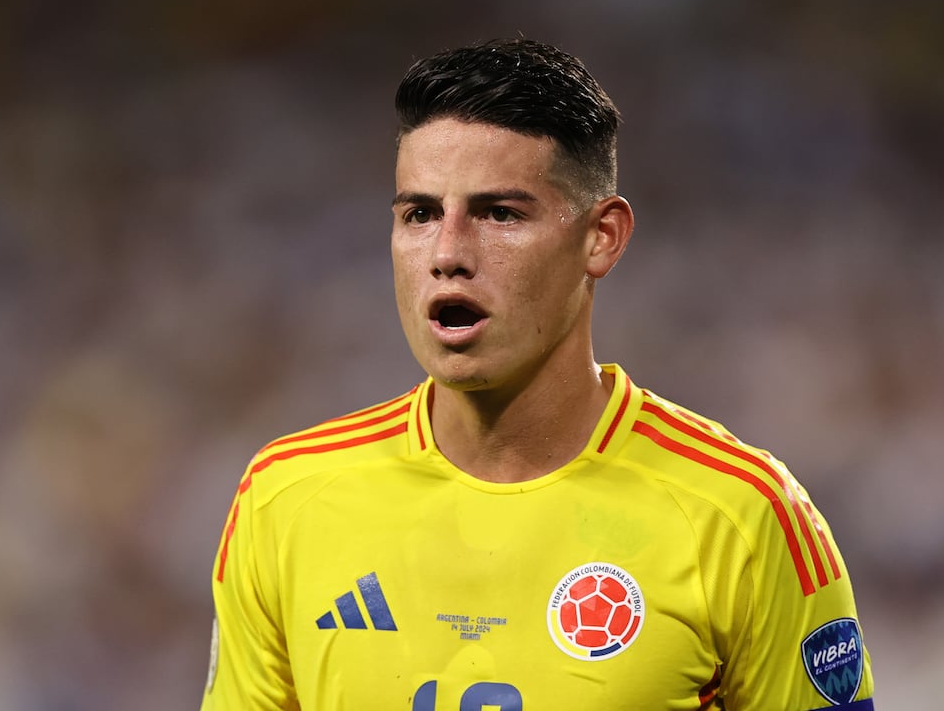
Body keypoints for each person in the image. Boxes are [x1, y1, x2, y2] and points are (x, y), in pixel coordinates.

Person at [201, 38, 875, 711]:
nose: (448, 254)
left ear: (600, 237)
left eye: (499, 213)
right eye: (420, 214)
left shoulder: (744, 515)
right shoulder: (286, 499)